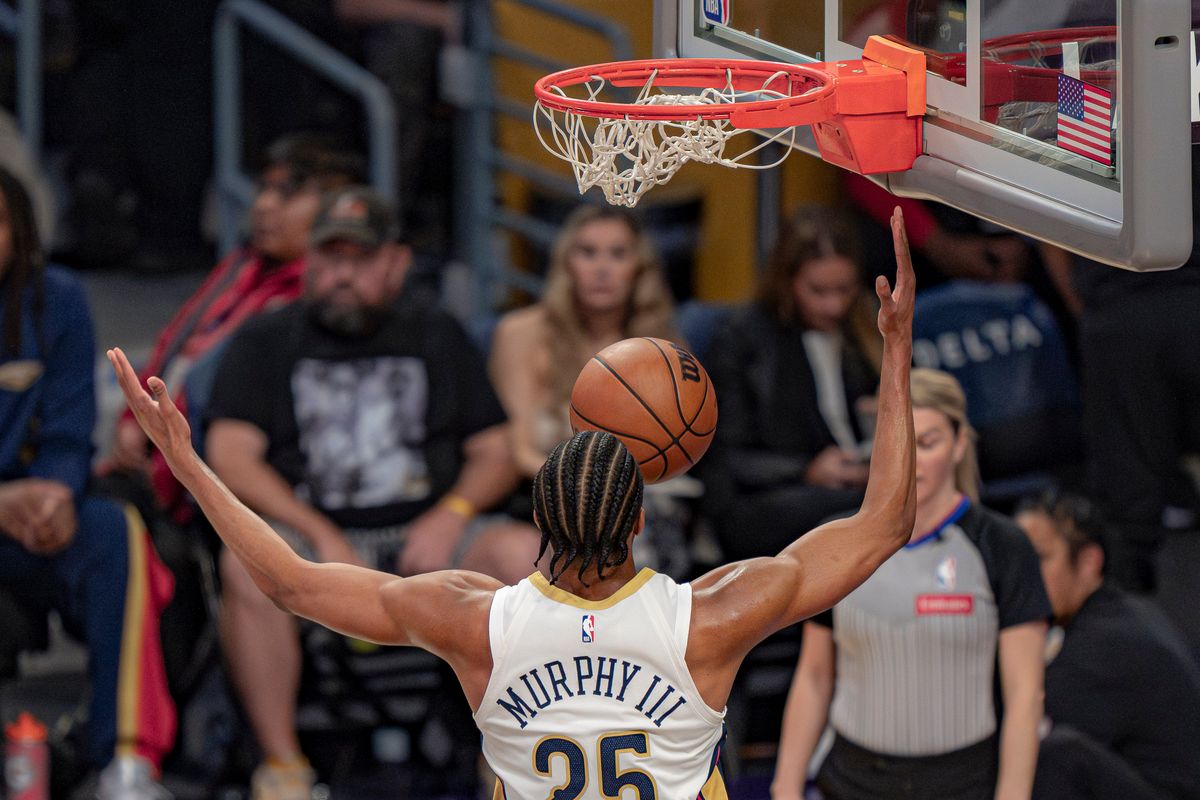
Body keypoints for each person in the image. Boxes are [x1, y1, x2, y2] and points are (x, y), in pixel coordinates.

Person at [111, 206, 917, 799]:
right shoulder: (711, 615)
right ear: (639, 519)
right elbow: (884, 522)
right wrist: (895, 348)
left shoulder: (476, 621)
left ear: (539, 517)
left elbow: (287, 580)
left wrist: (187, 464)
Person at [202, 185, 540, 799]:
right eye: (328, 259)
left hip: (430, 532)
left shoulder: (437, 333)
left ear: (395, 263)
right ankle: (283, 768)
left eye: (358, 260)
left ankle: (513, 758)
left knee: (524, 556)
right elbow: (229, 454)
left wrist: (452, 513)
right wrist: (319, 531)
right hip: (312, 534)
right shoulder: (267, 340)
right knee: (245, 568)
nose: (340, 276)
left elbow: (494, 451)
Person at [772, 368, 1049, 800]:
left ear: (959, 444)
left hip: (963, 783)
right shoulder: (835, 542)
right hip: (851, 781)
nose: (911, 459)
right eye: (900, 441)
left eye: (928, 443)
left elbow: (1025, 696)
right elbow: (813, 676)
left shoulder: (1001, 545)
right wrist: (785, 786)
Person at [0, 167, 176, 798]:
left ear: (19, 232)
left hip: (38, 516)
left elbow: (71, 430)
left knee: (115, 532)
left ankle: (126, 760)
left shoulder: (57, 299)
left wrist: (54, 494)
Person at [104, 133, 363, 521]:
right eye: (263, 190)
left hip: (224, 478)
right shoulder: (243, 265)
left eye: (286, 195)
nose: (262, 206)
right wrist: (133, 418)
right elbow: (173, 344)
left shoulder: (322, 300)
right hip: (158, 454)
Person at [705, 207, 881, 561]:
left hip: (854, 483)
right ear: (787, 280)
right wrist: (807, 469)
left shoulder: (867, 328)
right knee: (872, 512)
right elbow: (724, 456)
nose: (834, 305)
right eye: (818, 291)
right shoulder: (744, 340)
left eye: (844, 290)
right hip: (767, 497)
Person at [1015, 489, 1200, 800]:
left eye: (1039, 559)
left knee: (1051, 752)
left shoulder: (1102, 647)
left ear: (1088, 562)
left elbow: (1020, 728)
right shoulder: (1122, 614)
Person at [489, 204, 679, 482]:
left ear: (639, 268)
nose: (602, 269)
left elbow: (676, 453)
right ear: (567, 264)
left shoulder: (664, 346)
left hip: (641, 498)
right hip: (542, 491)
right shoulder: (518, 333)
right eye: (588, 253)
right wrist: (583, 496)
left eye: (618, 254)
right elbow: (519, 452)